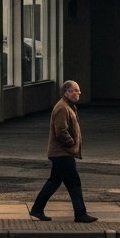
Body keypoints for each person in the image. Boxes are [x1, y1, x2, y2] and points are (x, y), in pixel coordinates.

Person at [29, 80, 98, 223]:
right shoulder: (62, 108)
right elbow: (61, 132)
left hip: (62, 153)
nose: (78, 93)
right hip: (63, 154)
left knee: (54, 181)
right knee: (74, 183)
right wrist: (71, 143)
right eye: (75, 90)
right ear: (67, 92)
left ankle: (37, 209)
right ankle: (80, 214)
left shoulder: (68, 106)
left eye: (78, 90)